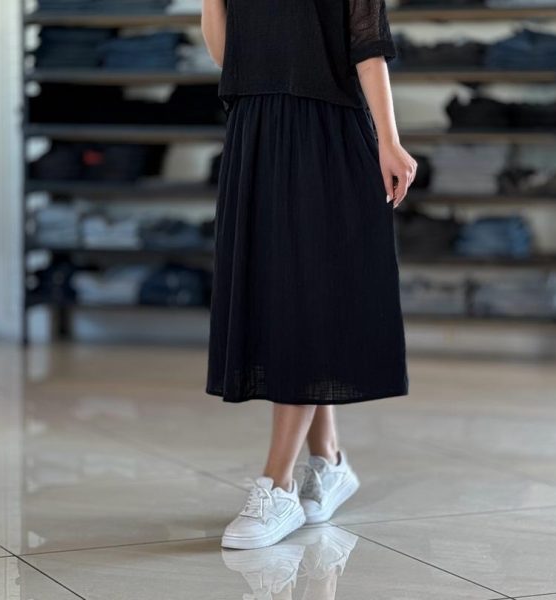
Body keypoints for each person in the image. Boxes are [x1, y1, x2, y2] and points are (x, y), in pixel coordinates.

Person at [201, 0, 415, 550]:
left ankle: (278, 484)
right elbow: (229, 56)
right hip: (255, 131)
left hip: (323, 132)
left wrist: (389, 140)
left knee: (300, 298)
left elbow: (368, 47)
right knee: (287, 295)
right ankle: (329, 459)